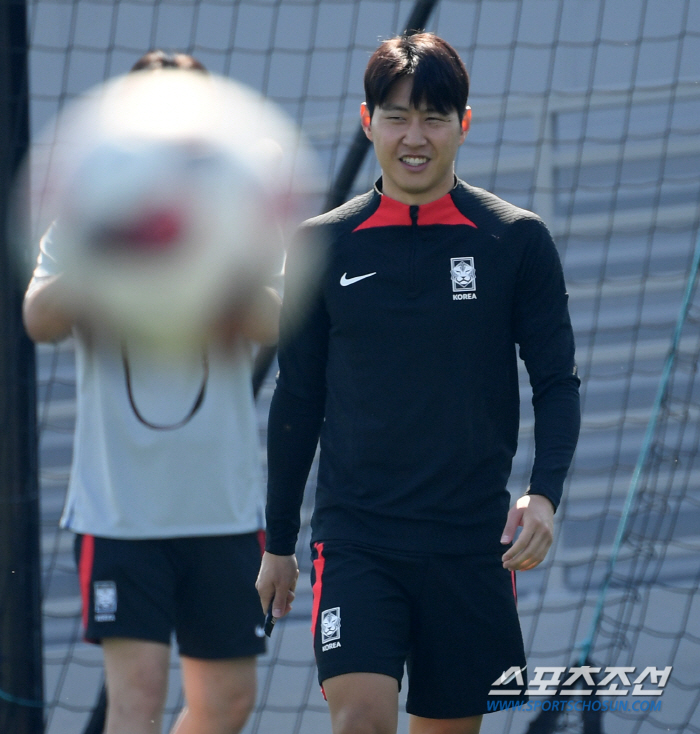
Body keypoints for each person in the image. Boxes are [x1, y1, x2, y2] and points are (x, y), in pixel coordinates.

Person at [256, 32, 580, 734]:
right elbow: (297, 398)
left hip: (471, 543)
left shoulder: (515, 239)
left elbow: (557, 382)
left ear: (464, 124)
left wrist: (544, 494)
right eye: (397, 116)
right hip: (356, 540)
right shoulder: (319, 243)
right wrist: (279, 543)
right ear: (367, 120)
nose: (414, 136)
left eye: (434, 117)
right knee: (361, 719)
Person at [23, 51, 281, 734]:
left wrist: (208, 249)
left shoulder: (237, 215)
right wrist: (117, 243)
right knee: (135, 704)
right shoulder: (86, 218)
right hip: (120, 513)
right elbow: (38, 318)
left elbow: (276, 320)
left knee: (228, 703)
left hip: (220, 509)